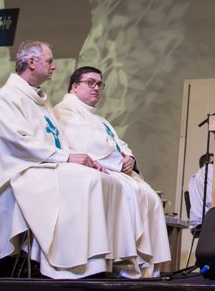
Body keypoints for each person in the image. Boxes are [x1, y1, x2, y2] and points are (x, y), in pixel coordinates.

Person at [0, 41, 142, 279]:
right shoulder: (7, 98)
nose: (54, 67)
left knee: (100, 178)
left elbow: (56, 140)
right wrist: (68, 157)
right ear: (31, 62)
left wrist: (80, 159)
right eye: (50, 61)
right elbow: (19, 142)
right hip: (8, 175)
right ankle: (71, 264)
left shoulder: (39, 100)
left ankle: (96, 261)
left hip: (37, 165)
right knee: (89, 182)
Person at [53, 66, 171, 276]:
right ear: (74, 86)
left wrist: (130, 159)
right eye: (90, 83)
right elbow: (89, 143)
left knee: (150, 197)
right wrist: (119, 161)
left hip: (114, 168)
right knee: (126, 193)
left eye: (99, 84)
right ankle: (121, 263)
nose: (96, 88)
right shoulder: (65, 110)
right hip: (93, 169)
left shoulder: (100, 119)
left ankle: (147, 267)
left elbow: (119, 143)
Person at [188, 153, 213, 231]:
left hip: (195, 222)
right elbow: (211, 199)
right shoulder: (208, 169)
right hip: (208, 220)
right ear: (208, 163)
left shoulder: (193, 178)